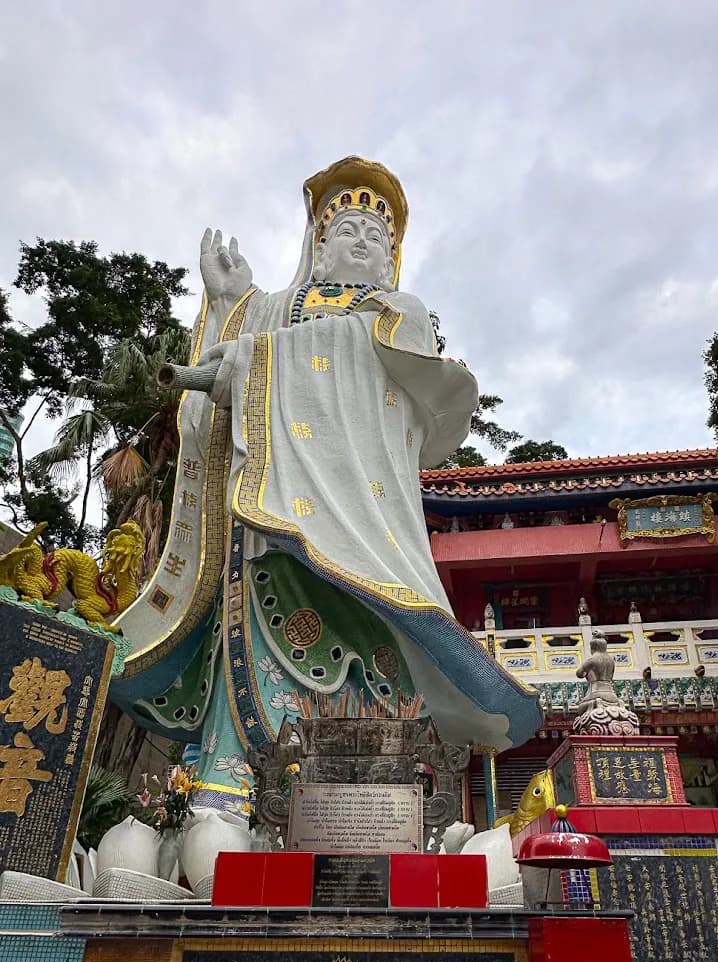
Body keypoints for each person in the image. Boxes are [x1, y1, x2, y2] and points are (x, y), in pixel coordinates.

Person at [111, 157, 540, 810]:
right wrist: (229, 307)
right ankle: (225, 798)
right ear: (317, 244)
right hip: (265, 541)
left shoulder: (399, 313)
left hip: (362, 536)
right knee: (253, 654)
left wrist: (257, 364)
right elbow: (212, 391)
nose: (363, 241)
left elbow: (374, 362)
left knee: (369, 670)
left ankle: (375, 805)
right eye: (349, 229)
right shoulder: (276, 309)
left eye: (378, 235)